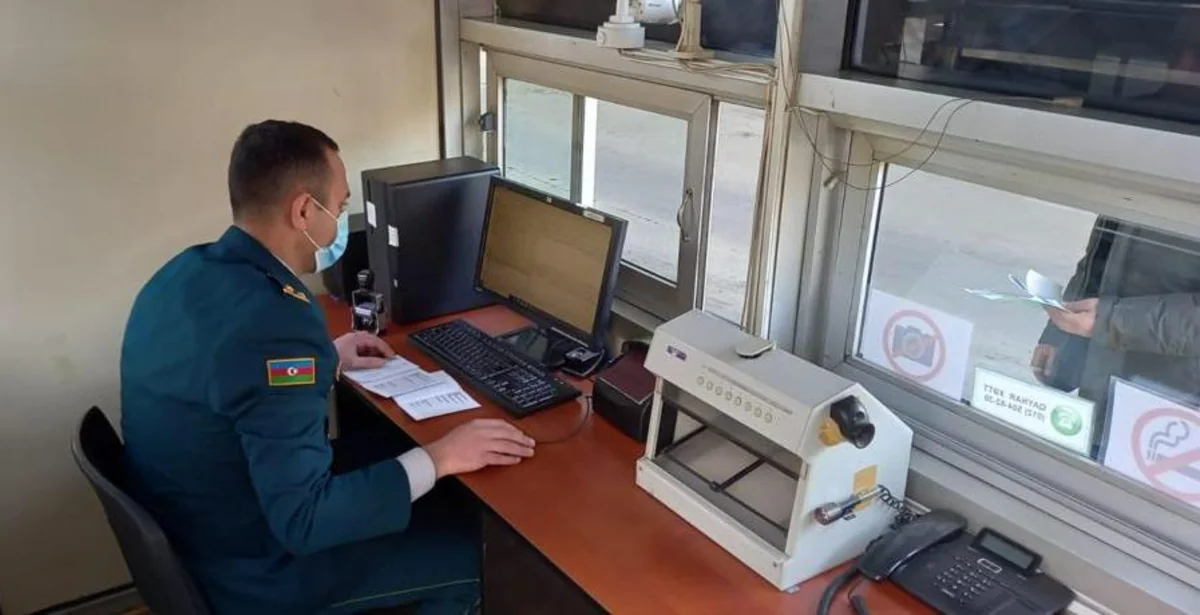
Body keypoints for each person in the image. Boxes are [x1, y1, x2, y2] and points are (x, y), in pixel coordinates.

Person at [120, 120, 537, 614]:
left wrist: (325, 358)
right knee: (481, 554)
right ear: (302, 211)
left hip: (205, 525)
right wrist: (442, 457)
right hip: (257, 572)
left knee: (392, 450)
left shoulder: (182, 274)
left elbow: (231, 377)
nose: (340, 221)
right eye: (339, 207)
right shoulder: (277, 326)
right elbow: (306, 521)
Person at [1033, 216, 1200, 456]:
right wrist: (1062, 335)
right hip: (1106, 373)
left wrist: (1110, 320)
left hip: (1174, 395)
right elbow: (1101, 256)